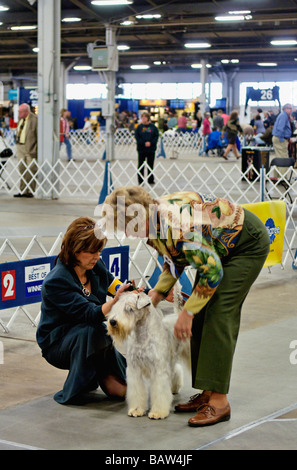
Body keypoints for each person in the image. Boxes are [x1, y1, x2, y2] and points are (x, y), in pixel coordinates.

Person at [103, 186, 270, 427]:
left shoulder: (177, 223)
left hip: (246, 245)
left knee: (218, 313)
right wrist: (157, 293)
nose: (125, 233)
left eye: (124, 227)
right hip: (217, 251)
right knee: (201, 312)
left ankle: (220, 401)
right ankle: (208, 392)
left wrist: (187, 313)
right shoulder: (154, 222)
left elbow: (212, 271)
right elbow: (175, 258)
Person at [36, 216, 131, 405]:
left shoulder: (95, 265)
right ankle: (80, 386)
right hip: (58, 343)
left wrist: (140, 293)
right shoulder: (56, 281)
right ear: (75, 250)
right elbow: (89, 313)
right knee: (96, 329)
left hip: (89, 333)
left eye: (99, 250)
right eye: (92, 251)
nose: (97, 256)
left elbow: (113, 284)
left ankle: (113, 377)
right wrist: (115, 303)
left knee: (123, 390)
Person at [14, 103, 38, 198]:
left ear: (26, 111)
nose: (19, 113)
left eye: (20, 111)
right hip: (20, 147)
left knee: (31, 170)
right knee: (22, 169)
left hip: (31, 148)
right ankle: (23, 190)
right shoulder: (21, 119)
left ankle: (30, 191)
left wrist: (36, 149)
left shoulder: (35, 120)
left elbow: (38, 135)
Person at [135, 111, 159, 185]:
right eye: (142, 117)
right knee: (140, 165)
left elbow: (156, 136)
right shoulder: (139, 127)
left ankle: (150, 180)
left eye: (145, 117)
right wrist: (143, 143)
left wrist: (151, 143)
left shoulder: (153, 127)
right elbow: (137, 137)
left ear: (148, 118)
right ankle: (140, 180)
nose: (143, 119)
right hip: (141, 149)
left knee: (150, 165)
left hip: (151, 149)